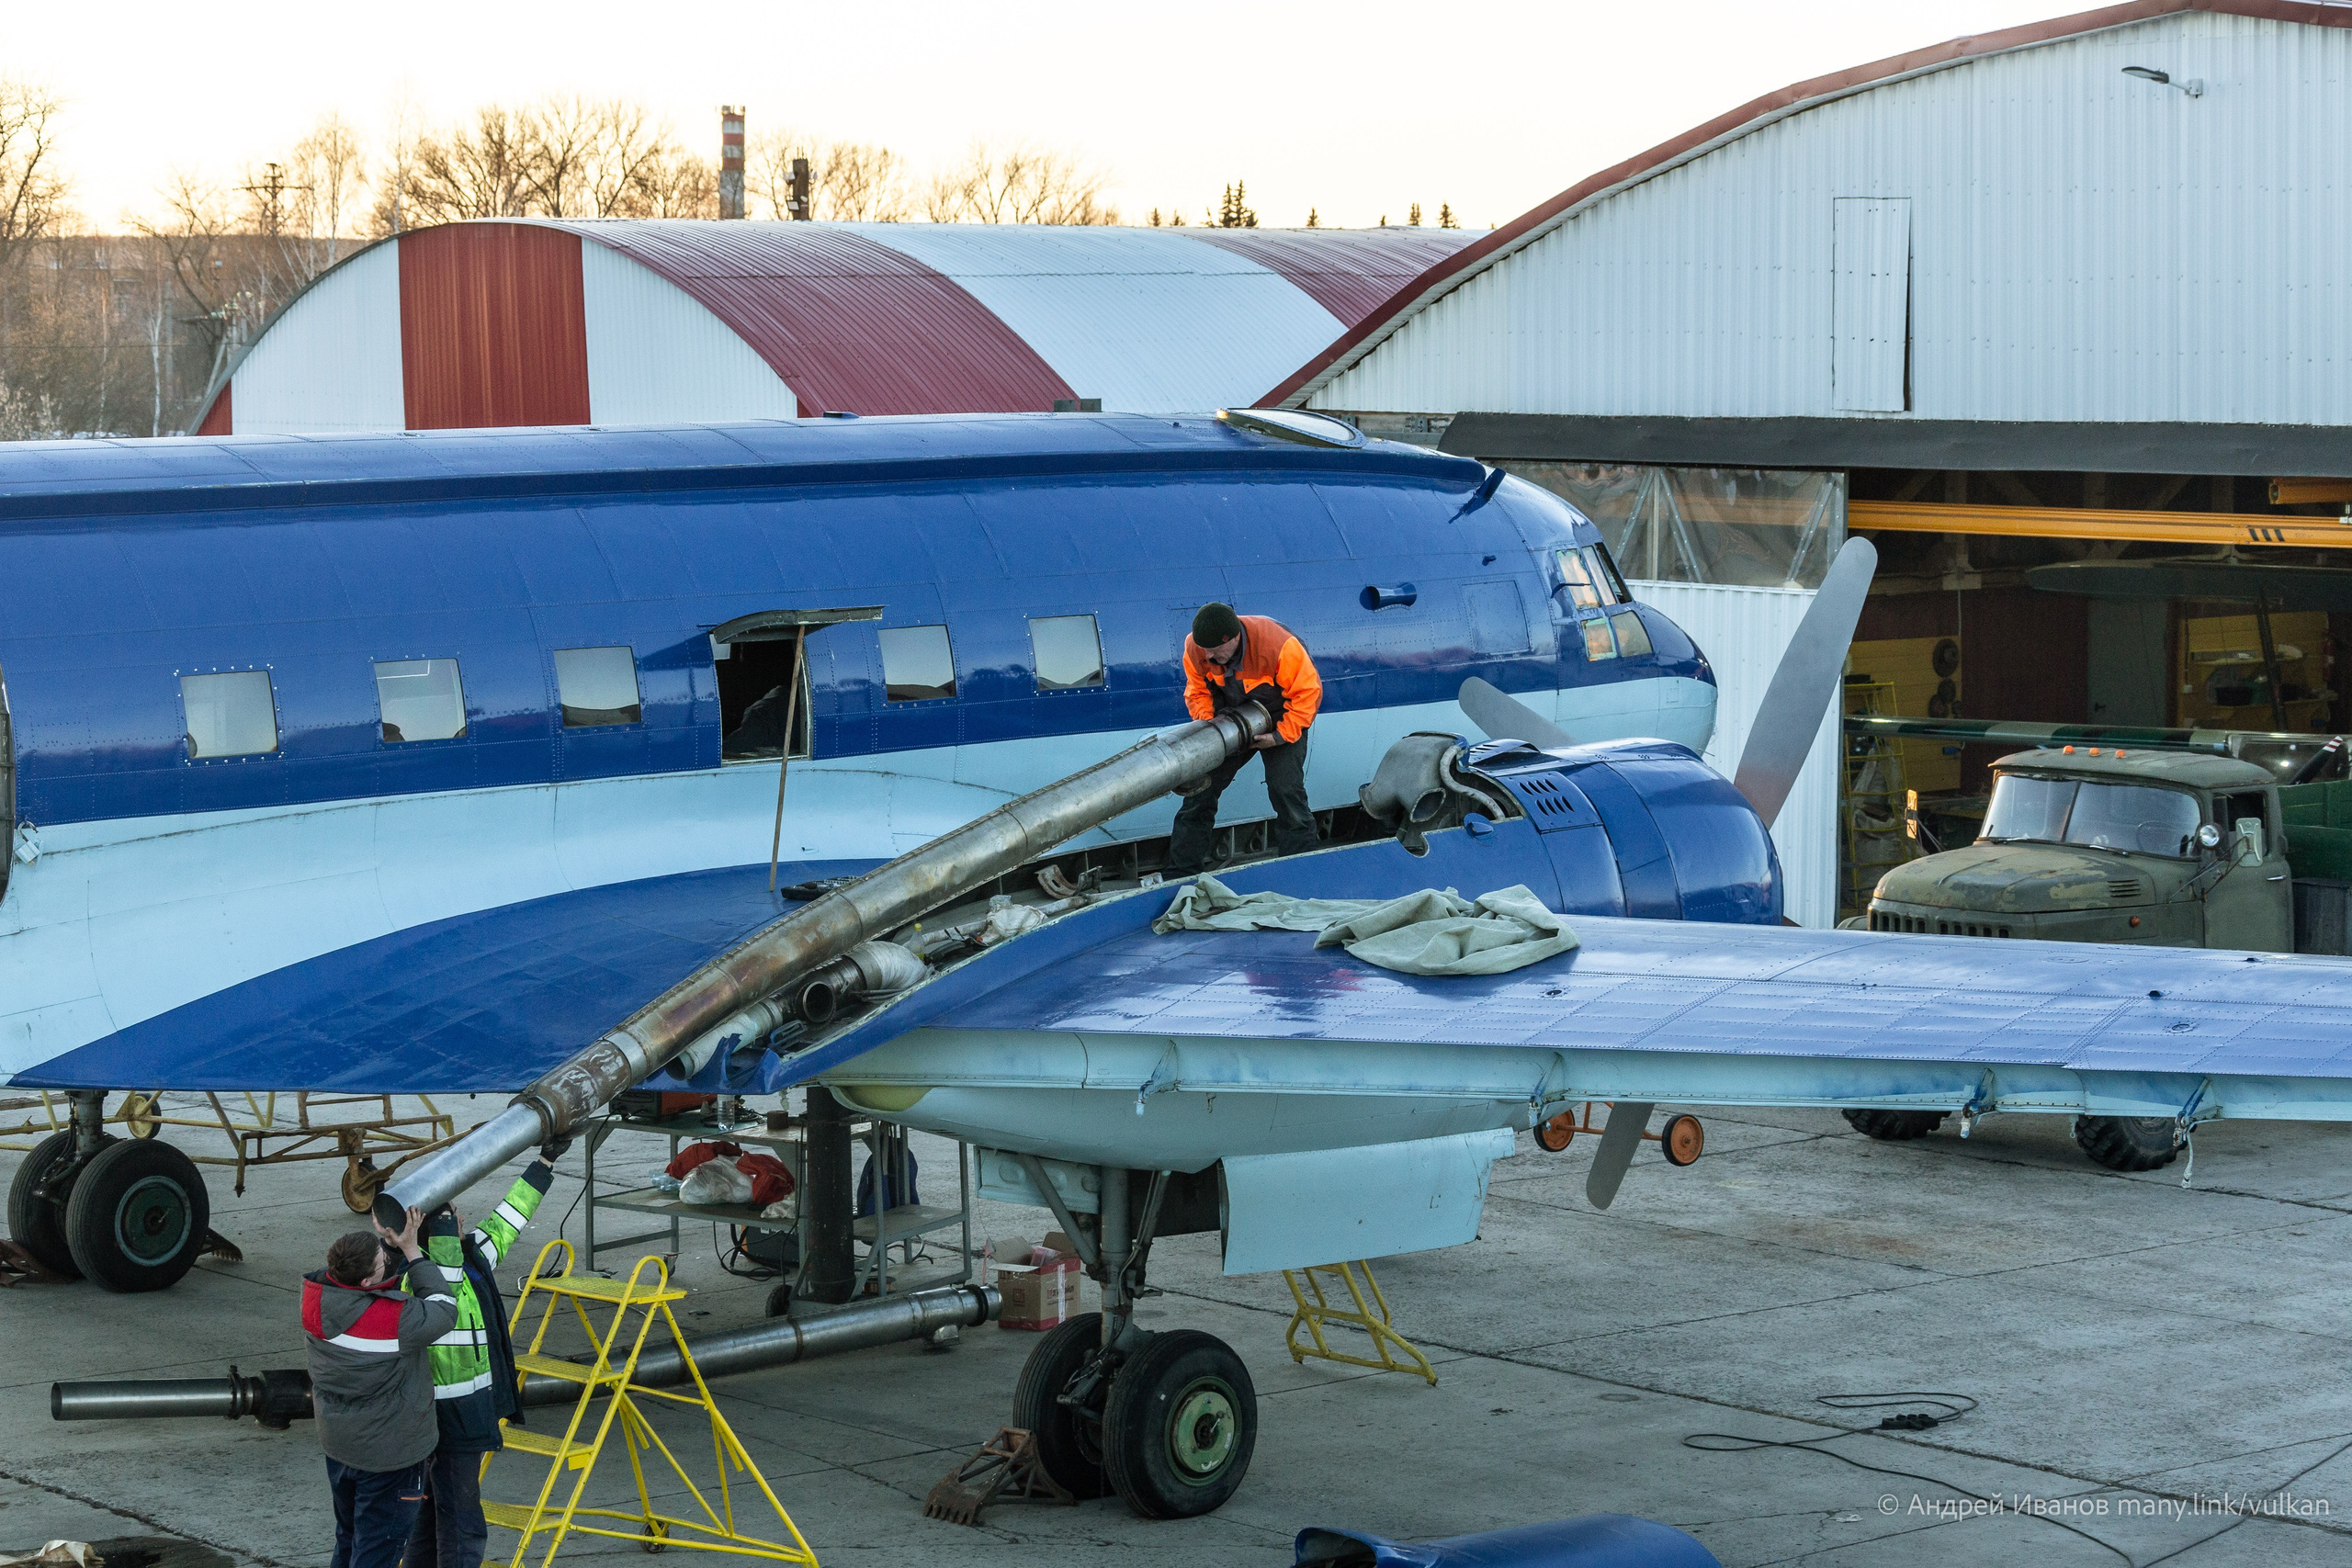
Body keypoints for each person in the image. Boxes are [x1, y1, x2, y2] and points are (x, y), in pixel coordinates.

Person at [406, 1140, 568, 1568]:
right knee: (461, 1524)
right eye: (448, 1216)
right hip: (450, 1419)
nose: (460, 1217)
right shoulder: (427, 1276)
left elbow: (510, 1219)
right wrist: (431, 1223)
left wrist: (544, 1164)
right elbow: (444, 1272)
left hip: (451, 1415)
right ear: (435, 1235)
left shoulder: (471, 1255)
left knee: (427, 1517)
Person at [301, 1204, 459, 1568]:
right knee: (377, 1554)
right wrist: (412, 1250)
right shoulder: (392, 1318)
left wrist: (387, 1247)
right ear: (367, 1284)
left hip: (340, 1446)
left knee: (350, 1539)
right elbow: (444, 1308)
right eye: (379, 1261)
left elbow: (364, 1282)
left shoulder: (315, 1301)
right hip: (389, 1458)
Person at [1170, 602, 1324, 875]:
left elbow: (1307, 694)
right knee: (1200, 791)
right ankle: (1181, 874)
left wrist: (1279, 737)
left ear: (1234, 638)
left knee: (1285, 790)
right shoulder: (1196, 647)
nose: (1210, 656)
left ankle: (1301, 870)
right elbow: (1197, 691)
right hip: (1230, 718)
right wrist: (1209, 730)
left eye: (1216, 651)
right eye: (1205, 650)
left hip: (1281, 718)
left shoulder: (1279, 645)